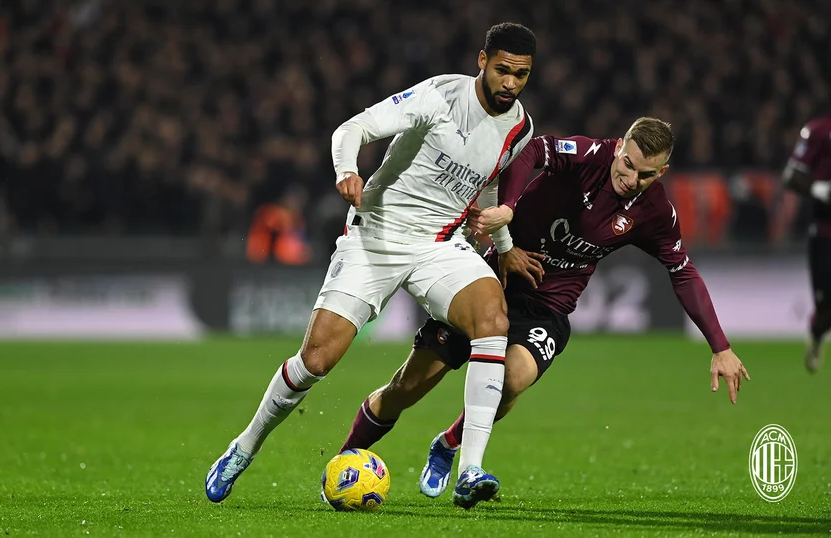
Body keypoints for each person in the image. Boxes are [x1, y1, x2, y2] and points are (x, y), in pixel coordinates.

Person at [206, 22, 541, 508]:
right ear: (482, 61)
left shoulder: (520, 127)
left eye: (522, 74)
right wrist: (348, 170)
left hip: (439, 244)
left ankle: (470, 469)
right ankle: (242, 448)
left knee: (492, 319)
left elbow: (488, 187)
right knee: (316, 360)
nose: (511, 83)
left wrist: (503, 241)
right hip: (376, 236)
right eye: (504, 70)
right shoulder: (438, 97)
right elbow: (352, 128)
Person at [335, 117, 751, 503]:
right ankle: (344, 462)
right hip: (488, 283)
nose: (631, 179)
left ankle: (449, 446)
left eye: (646, 174)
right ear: (620, 146)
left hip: (548, 306)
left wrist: (720, 345)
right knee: (407, 388)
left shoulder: (654, 211)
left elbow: (682, 271)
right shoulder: (587, 155)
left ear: (661, 173)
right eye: (628, 164)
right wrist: (508, 224)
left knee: (512, 378)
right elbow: (531, 150)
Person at [782, 114, 831, 373]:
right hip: (826, 232)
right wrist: (819, 190)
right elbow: (791, 176)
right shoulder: (819, 130)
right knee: (826, 310)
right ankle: (816, 334)